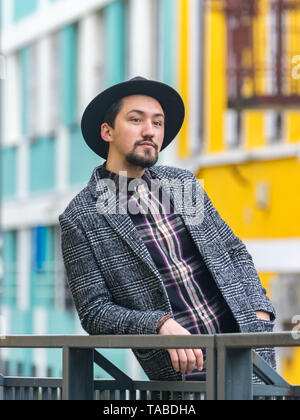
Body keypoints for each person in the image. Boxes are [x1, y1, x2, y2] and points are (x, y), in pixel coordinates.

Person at [59, 76, 276, 388]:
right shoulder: (81, 217)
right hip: (184, 377)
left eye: (157, 123)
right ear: (107, 131)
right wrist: (158, 325)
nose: (150, 131)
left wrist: (259, 312)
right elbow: (95, 312)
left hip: (249, 357)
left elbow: (233, 251)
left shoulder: (182, 184)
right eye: (136, 120)